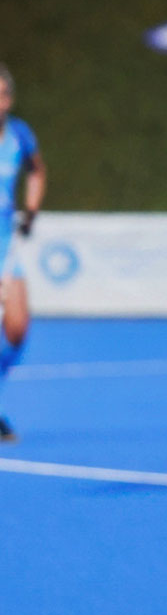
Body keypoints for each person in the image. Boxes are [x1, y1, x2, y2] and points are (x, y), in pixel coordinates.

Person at [0, 64, 45, 441]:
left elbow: (36, 172)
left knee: (17, 328)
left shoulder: (19, 135)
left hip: (4, 243)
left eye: (3, 95)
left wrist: (30, 211)